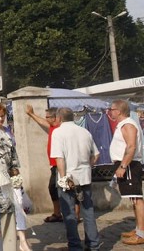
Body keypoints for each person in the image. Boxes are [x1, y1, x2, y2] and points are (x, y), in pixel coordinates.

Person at [50, 107, 100, 251]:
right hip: (84, 177)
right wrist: (86, 166)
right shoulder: (85, 132)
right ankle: (93, 245)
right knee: (88, 212)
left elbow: (59, 158)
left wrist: (64, 177)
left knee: (69, 214)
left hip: (68, 177)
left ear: (59, 118)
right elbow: (96, 155)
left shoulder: (58, 133)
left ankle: (75, 246)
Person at [0, 103, 32, 251]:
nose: (0, 119)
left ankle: (19, 241)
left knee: (17, 204)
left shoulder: (7, 131)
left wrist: (16, 173)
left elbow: (13, 153)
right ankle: (2, 243)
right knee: (2, 208)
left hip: (10, 174)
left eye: (2, 116)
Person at [108, 99, 144, 245]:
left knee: (137, 199)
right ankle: (138, 229)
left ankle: (141, 233)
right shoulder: (123, 124)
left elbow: (131, 147)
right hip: (126, 165)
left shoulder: (128, 124)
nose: (110, 112)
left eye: (111, 109)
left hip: (129, 165)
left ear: (118, 111)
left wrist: (123, 166)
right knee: (133, 198)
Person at [25, 104, 65, 223]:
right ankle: (57, 213)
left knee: (66, 189)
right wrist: (31, 114)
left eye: (48, 117)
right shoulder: (52, 127)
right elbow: (42, 122)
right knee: (53, 189)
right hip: (54, 165)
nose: (46, 118)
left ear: (55, 118)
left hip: (61, 164)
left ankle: (75, 215)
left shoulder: (61, 129)